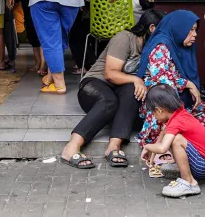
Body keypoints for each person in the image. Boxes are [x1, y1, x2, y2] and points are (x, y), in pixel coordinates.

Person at [60, 10, 165, 169]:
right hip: (94, 85)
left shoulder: (151, 48)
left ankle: (114, 146)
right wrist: (136, 79)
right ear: (152, 28)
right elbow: (110, 74)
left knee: (132, 92)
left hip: (119, 90)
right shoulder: (124, 38)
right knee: (110, 102)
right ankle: (71, 147)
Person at [136, 10, 205, 148]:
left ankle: (190, 144)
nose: (195, 34)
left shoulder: (182, 46)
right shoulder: (161, 46)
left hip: (181, 100)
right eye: (191, 30)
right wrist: (188, 84)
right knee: (169, 108)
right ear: (179, 28)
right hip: (161, 103)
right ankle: (169, 141)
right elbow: (162, 81)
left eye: (195, 30)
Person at [141, 84, 205, 198]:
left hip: (204, 166)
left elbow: (163, 148)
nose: (154, 116)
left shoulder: (176, 122)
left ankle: (189, 183)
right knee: (171, 136)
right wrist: (153, 155)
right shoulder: (179, 113)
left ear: (159, 110)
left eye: (153, 113)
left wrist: (147, 147)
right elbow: (164, 132)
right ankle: (186, 173)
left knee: (176, 140)